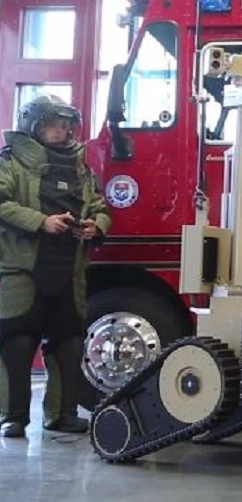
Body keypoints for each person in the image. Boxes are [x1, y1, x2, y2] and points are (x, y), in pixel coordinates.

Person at [0, 95, 111, 438]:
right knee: (17, 341)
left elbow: (100, 204)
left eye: (67, 125)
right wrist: (40, 221)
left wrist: (98, 225)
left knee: (70, 342)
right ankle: (13, 416)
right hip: (21, 270)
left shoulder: (81, 168)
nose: (63, 132)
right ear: (33, 125)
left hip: (69, 269)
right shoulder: (11, 162)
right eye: (54, 124)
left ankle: (63, 414)